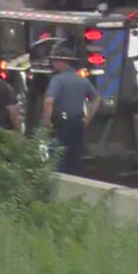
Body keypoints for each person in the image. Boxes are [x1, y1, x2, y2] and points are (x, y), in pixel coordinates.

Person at [41, 41, 101, 176]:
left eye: (56, 61)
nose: (54, 64)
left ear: (63, 62)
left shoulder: (57, 80)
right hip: (78, 123)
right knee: (76, 159)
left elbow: (49, 100)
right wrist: (87, 119)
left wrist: (46, 122)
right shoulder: (82, 79)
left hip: (62, 124)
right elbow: (96, 99)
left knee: (58, 159)